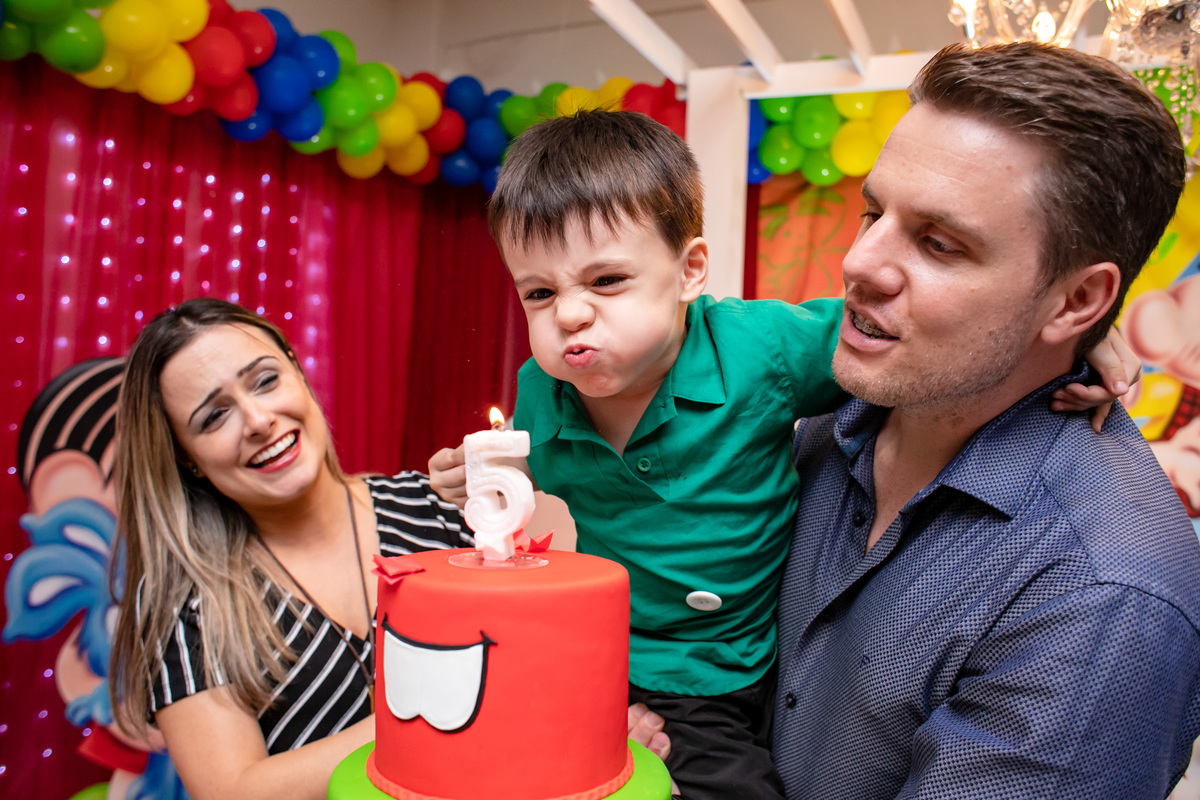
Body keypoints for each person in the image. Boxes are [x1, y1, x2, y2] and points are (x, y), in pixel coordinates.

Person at [428, 110, 1135, 799]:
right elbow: (538, 530)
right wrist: (485, 486)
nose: (570, 314)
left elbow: (923, 340)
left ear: (690, 270)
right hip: (579, 655)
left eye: (606, 281)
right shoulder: (538, 388)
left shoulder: (761, 349)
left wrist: (1074, 336)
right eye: (540, 293)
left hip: (708, 670)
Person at [771, 42, 1200, 799]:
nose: (861, 263)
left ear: (1076, 302)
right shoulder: (817, 427)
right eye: (873, 212)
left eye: (939, 244)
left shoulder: (1103, 593)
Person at [108, 298, 473, 800]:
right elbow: (232, 791)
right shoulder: (186, 598)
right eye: (214, 417)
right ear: (186, 458)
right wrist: (455, 708)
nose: (257, 420)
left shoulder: (433, 510)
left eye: (264, 380)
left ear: (299, 374)